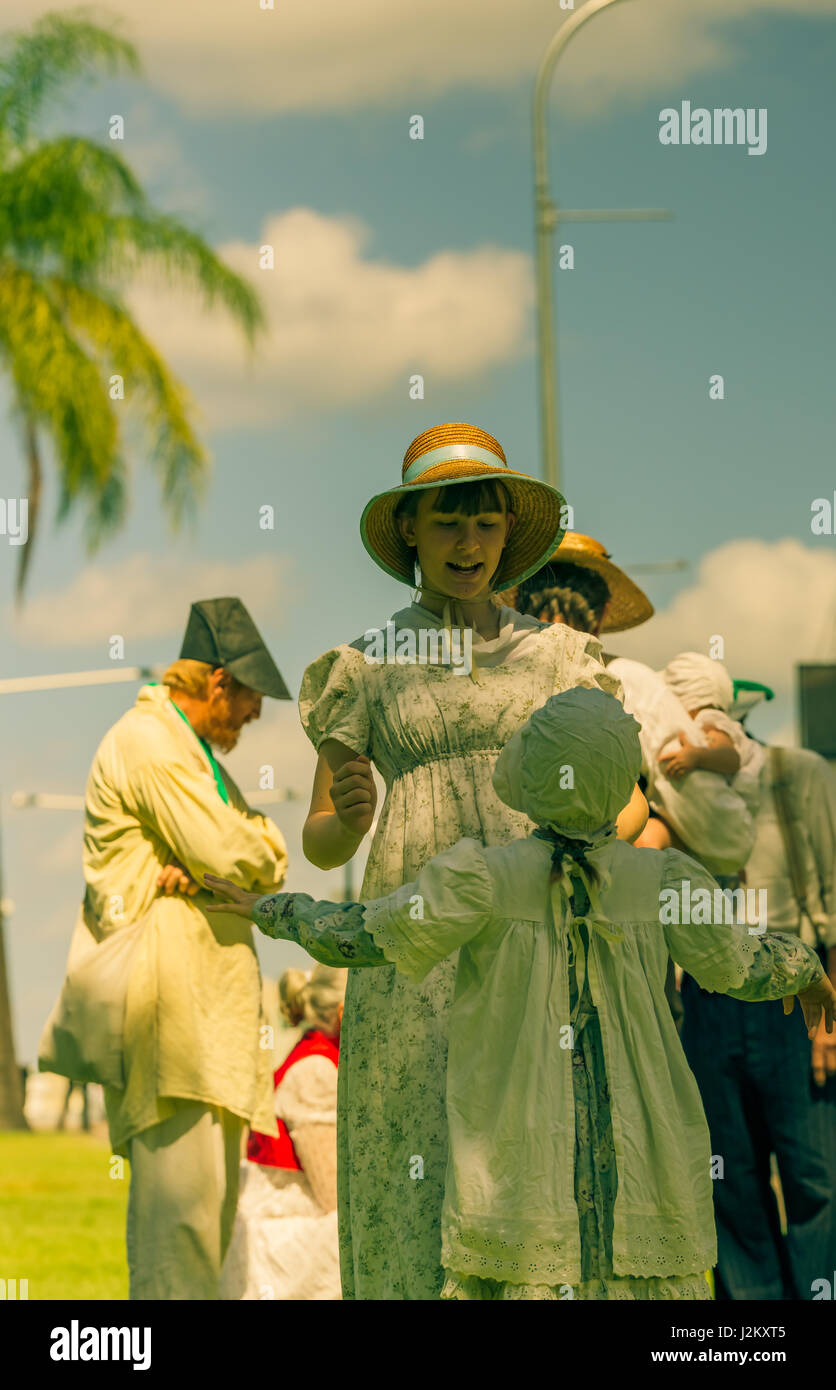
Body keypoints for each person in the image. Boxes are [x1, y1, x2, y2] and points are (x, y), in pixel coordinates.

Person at [206, 687, 835, 1300]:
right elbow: (741, 962)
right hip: (646, 1171)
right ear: (623, 779)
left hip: (520, 1176)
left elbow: (365, 933)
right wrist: (804, 967)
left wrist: (271, 909)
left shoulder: (483, 877)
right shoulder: (662, 878)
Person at [251, 422, 647, 1300]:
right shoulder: (367, 662)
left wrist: (601, 822)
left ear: (508, 534)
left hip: (537, 922)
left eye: (484, 522)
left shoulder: (559, 659)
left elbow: (626, 798)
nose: (468, 542)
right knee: (417, 1130)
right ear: (413, 537)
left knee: (534, 1130)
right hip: (414, 933)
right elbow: (322, 836)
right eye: (447, 522)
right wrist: (345, 818)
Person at [49, 598, 291, 1299]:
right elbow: (231, 847)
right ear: (219, 682)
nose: (255, 715)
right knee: (176, 1247)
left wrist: (241, 851)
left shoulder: (192, 752)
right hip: (171, 1027)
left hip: (204, 1029)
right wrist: (238, 850)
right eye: (250, 697)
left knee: (204, 1238)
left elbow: (259, 851)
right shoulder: (152, 742)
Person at [680, 700, 836, 1299]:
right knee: (730, 1180)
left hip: (798, 995)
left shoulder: (798, 775)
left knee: (815, 1174)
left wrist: (830, 1023)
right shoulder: (677, 797)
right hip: (709, 999)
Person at [220, 965, 346, 1301]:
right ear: (344, 1011)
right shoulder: (317, 1068)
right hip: (281, 1236)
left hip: (277, 1224)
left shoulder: (312, 1052)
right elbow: (333, 1191)